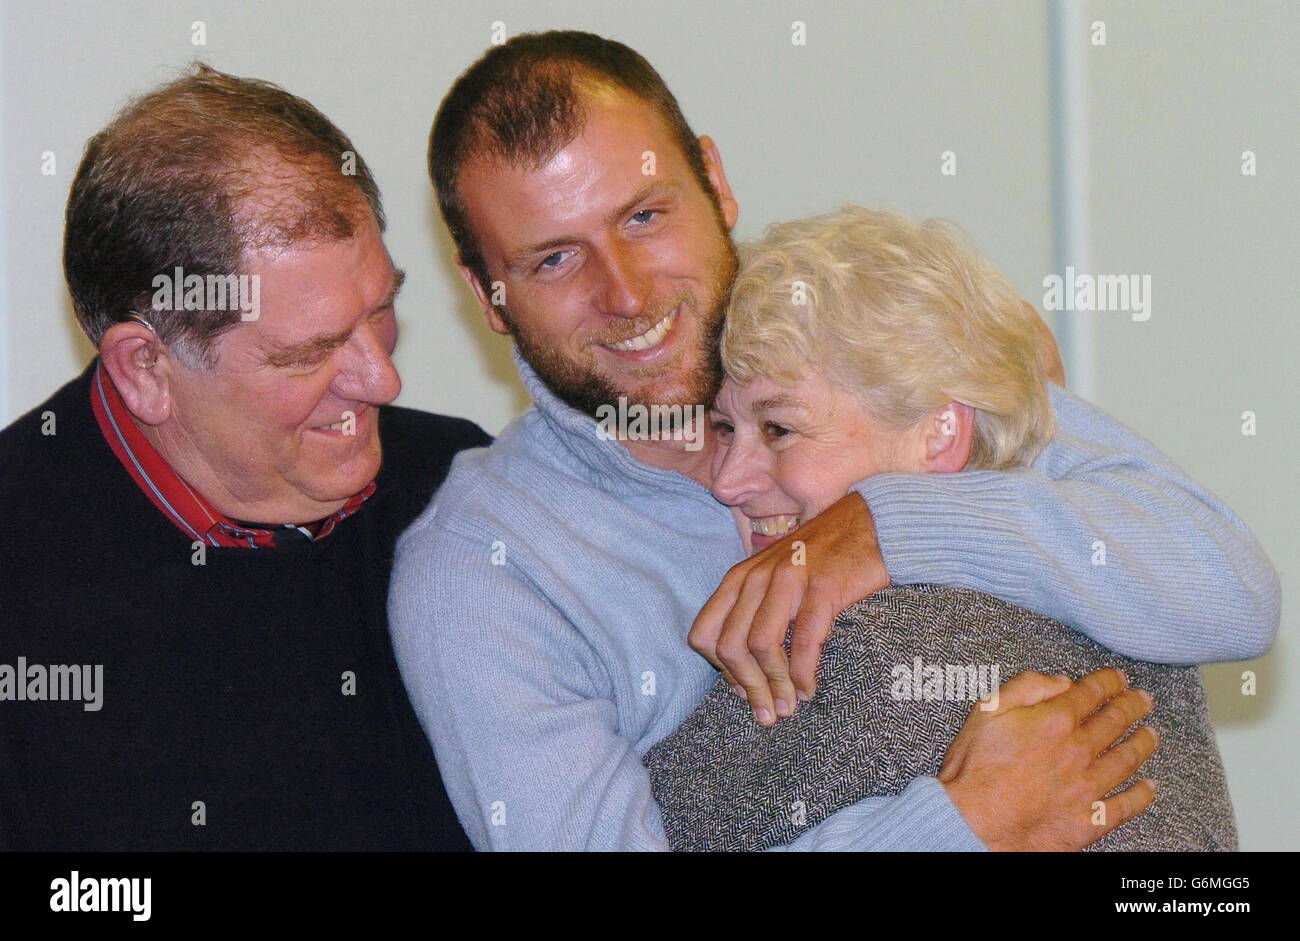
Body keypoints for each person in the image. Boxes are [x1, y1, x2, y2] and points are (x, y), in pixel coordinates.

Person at [388, 30, 1279, 851]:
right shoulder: (486, 572)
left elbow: (1232, 595)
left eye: (644, 217)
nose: (625, 293)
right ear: (486, 296)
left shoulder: (872, 331)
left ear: (713, 178)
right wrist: (962, 824)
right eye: (552, 259)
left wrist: (889, 526)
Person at [0, 65, 489, 851]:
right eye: (311, 352)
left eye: (381, 309)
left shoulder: (461, 485)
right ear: (146, 369)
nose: (383, 378)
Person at [643, 206, 1236, 852]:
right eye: (725, 429)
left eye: (779, 428)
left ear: (941, 432)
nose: (728, 479)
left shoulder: (829, 652)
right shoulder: (1144, 614)